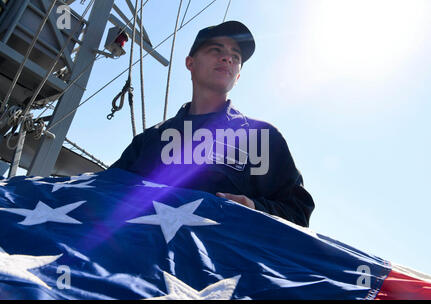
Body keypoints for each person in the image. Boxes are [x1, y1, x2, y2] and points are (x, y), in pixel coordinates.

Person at [110, 21, 315, 227]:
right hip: (143, 253)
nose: (227, 58)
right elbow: (104, 191)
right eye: (215, 50)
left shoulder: (262, 138)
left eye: (236, 57)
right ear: (190, 63)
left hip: (220, 257)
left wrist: (255, 208)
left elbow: (298, 213)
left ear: (238, 76)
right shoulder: (150, 140)